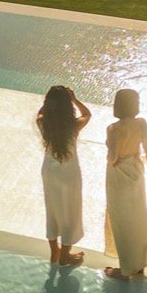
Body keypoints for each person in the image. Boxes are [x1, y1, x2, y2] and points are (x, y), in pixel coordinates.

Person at [37, 84, 92, 266]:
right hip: (68, 174)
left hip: (49, 172)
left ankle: (55, 251)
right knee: (70, 211)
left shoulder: (43, 122)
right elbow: (87, 114)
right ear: (67, 106)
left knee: (52, 210)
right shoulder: (73, 126)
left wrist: (48, 104)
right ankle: (65, 256)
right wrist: (74, 99)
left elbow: (40, 113)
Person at [104, 87, 147, 279]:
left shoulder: (113, 129)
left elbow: (112, 157)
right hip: (136, 169)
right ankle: (140, 264)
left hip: (119, 173)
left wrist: (110, 152)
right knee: (138, 216)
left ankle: (125, 268)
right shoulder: (142, 123)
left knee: (121, 219)